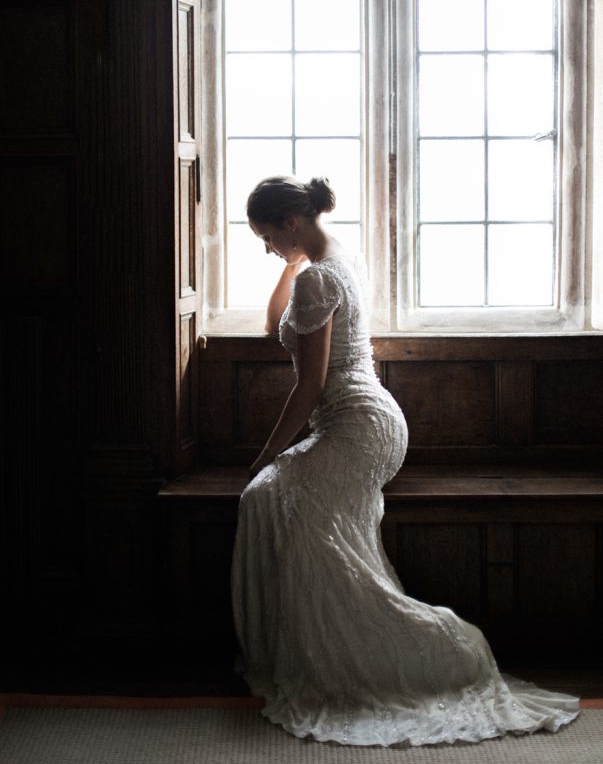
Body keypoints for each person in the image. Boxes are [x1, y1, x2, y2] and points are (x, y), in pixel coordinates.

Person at [231, 174, 580, 747]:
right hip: (368, 421)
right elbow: (275, 326)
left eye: (267, 236)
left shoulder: (319, 276)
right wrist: (288, 262)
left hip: (358, 426)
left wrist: (268, 452)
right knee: (269, 499)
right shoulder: (335, 261)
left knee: (268, 494)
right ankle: (309, 646)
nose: (267, 247)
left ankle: (428, 649)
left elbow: (311, 386)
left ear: (290, 223)